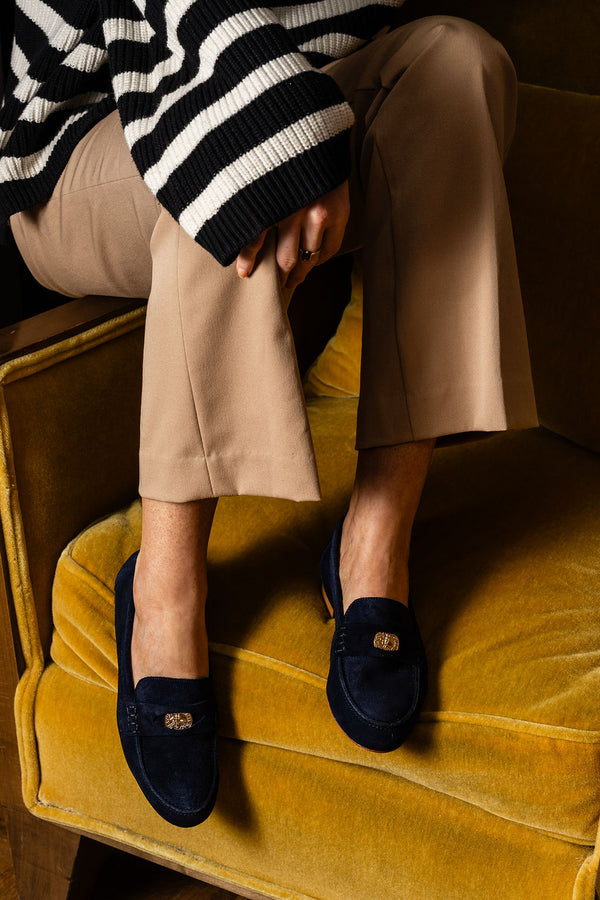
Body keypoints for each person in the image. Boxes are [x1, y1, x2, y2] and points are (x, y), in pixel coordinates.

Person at [0, 0, 538, 827]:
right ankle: (164, 588)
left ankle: (374, 539)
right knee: (241, 148)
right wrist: (285, 123)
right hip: (88, 121)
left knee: (459, 63)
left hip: (313, 79)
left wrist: (302, 113)